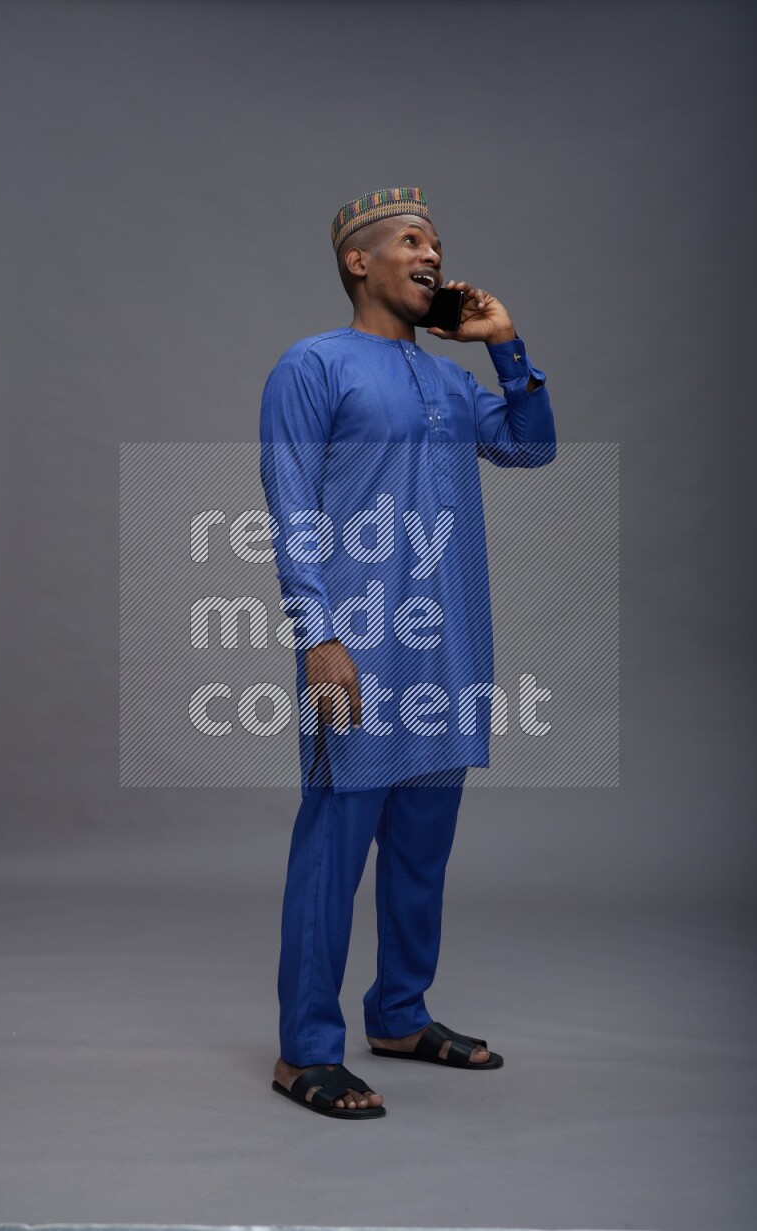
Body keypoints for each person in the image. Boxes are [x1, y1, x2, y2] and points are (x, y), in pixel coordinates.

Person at [259, 187, 556, 1119]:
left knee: (422, 853)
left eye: (438, 244)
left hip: (449, 652)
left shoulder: (452, 385)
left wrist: (504, 344)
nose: (433, 257)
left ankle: (398, 1012)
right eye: (413, 242)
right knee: (333, 853)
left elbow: (533, 448)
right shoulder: (311, 366)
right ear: (360, 261)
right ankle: (306, 1048)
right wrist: (319, 636)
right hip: (360, 654)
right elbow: (291, 506)